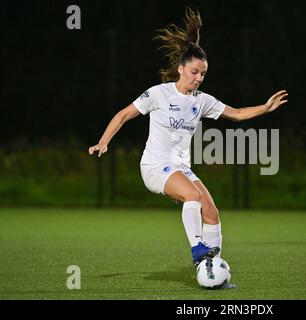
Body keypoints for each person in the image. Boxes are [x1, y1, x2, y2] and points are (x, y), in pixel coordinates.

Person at [88, 8, 288, 271]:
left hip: (181, 168)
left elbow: (237, 114)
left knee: (212, 213)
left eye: (203, 74)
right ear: (181, 69)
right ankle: (197, 249)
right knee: (192, 195)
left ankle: (212, 269)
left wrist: (265, 107)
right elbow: (124, 114)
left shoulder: (201, 101)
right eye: (194, 72)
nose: (198, 78)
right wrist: (104, 141)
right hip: (155, 166)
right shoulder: (159, 93)